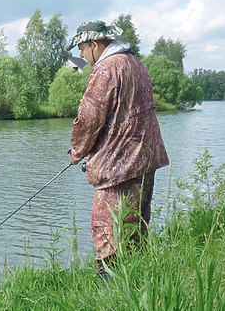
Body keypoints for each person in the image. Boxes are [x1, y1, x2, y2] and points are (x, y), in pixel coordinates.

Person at [67, 20, 169, 272]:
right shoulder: (135, 63)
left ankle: (110, 292)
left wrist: (78, 151)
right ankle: (136, 282)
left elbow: (89, 117)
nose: (80, 55)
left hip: (119, 165)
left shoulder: (106, 69)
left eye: (81, 48)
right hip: (145, 158)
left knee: (107, 229)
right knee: (136, 227)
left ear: (94, 44)